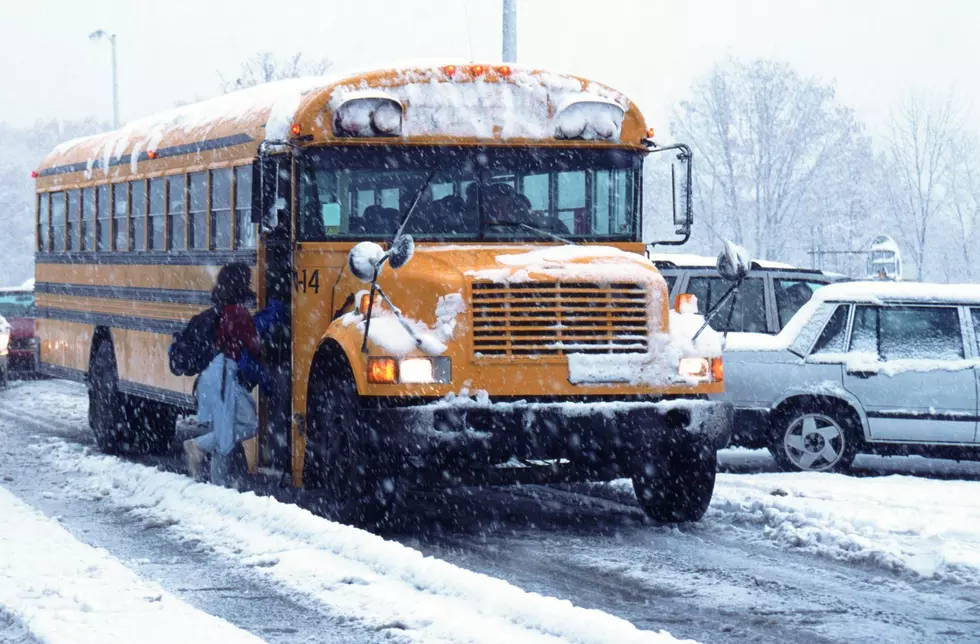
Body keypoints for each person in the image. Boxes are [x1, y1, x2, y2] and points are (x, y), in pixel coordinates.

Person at [183, 263, 261, 485]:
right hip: (224, 374)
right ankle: (198, 447)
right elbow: (254, 345)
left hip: (212, 374)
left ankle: (218, 485)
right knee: (246, 425)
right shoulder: (238, 313)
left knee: (224, 428)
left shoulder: (219, 310)